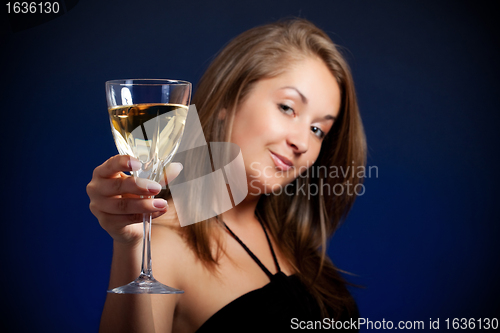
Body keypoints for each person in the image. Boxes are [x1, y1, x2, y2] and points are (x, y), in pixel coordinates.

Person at [87, 18, 366, 332]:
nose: (301, 142)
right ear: (229, 100)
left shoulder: (289, 240)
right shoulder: (163, 242)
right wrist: (130, 248)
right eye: (287, 108)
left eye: (318, 130)